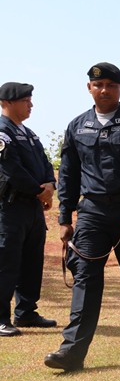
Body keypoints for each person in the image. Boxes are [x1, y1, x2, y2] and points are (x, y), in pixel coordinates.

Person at [44, 63, 120, 371]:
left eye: (111, 85)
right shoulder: (77, 126)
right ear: (89, 88)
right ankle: (71, 351)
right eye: (98, 85)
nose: (104, 90)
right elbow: (68, 175)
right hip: (92, 213)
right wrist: (64, 218)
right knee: (85, 278)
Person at [0, 82, 57, 337]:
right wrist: (39, 190)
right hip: (9, 208)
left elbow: (45, 163)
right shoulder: (2, 133)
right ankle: (1, 318)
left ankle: (26, 312)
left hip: (32, 209)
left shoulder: (30, 134)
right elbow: (11, 170)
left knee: (32, 263)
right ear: (7, 103)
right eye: (25, 100)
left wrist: (50, 185)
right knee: (6, 263)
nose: (31, 105)